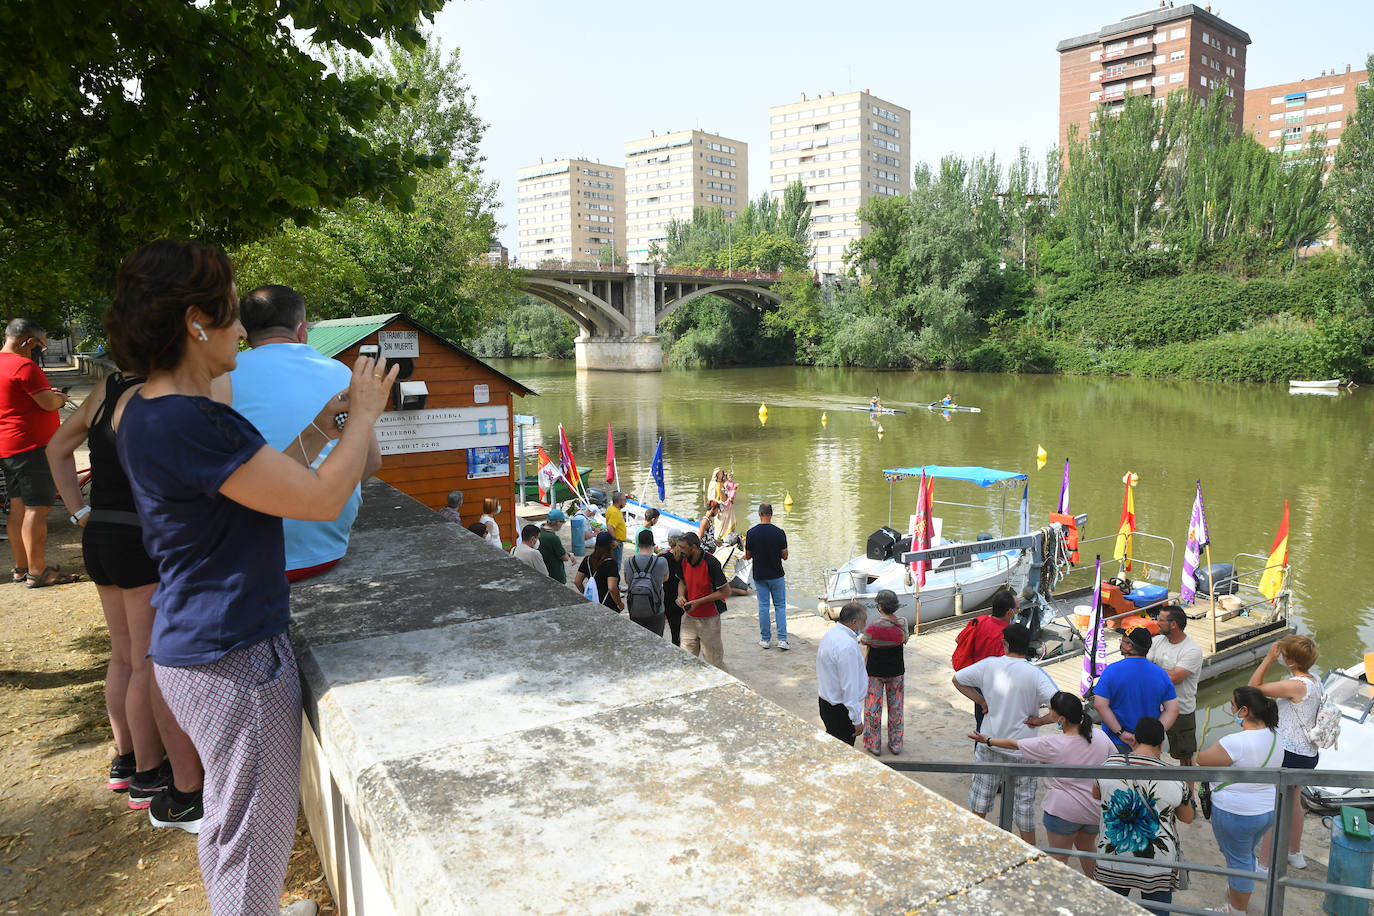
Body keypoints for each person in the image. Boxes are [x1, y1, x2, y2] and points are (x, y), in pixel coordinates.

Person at [106, 238, 393, 916]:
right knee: (253, 838)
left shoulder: (144, 410)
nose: (240, 330)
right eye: (228, 314)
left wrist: (327, 429)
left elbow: (263, 487)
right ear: (193, 324)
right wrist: (366, 416)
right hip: (233, 657)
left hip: (193, 644)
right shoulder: (198, 421)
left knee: (231, 825)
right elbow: (321, 500)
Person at [47, 369, 205, 829]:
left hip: (100, 533)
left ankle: (125, 759)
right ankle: (149, 773)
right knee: (146, 661)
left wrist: (79, 510)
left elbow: (57, 449)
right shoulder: (163, 391)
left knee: (121, 656)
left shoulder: (108, 387)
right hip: (140, 538)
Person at [218, 284, 383, 581]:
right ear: (302, 330)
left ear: (246, 332)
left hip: (249, 553)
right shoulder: (342, 373)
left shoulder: (221, 378)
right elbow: (371, 461)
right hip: (327, 548)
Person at [973, 691, 1112, 877]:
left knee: (1058, 859)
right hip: (1093, 811)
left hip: (1063, 812)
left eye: (1051, 710)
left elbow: (1014, 744)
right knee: (1088, 851)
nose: (1048, 712)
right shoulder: (1100, 736)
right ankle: (1098, 890)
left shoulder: (1052, 743)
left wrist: (988, 740)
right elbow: (1114, 762)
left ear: (1061, 719)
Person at [953, 623, 1057, 843]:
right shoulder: (1036, 674)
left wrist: (981, 700)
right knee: (1025, 807)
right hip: (1023, 749)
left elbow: (957, 680)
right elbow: (1058, 710)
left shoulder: (989, 665)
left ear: (1005, 644)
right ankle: (1029, 856)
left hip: (989, 742)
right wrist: (1039, 720)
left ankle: (974, 844)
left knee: (980, 800)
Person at [1, 319, 78, 588]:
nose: (38, 351)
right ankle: (39, 571)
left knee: (19, 508)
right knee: (38, 509)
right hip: (32, 448)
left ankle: (21, 568)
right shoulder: (25, 366)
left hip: (9, 448)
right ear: (28, 342)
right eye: (40, 346)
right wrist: (60, 398)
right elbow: (47, 404)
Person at [1093, 716, 1195, 915]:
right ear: (1162, 744)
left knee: (1111, 909)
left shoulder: (1108, 765)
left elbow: (1096, 794)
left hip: (1114, 857)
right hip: (1156, 864)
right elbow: (1188, 817)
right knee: (1157, 910)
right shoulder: (1173, 776)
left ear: (1135, 739)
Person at [1196, 686, 1282, 916]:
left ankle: (1236, 909)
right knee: (1245, 854)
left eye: (1232, 705)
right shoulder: (1276, 736)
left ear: (1244, 711)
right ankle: (1238, 888)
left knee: (1238, 860)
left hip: (1236, 812)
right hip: (1266, 809)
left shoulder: (1235, 741)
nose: (1230, 709)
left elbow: (1202, 759)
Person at [1250, 634, 1322, 871]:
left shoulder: (1295, 685)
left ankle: (1264, 864)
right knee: (1294, 802)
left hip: (1289, 753)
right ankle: (1295, 852)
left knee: (1274, 805)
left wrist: (1268, 659)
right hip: (1308, 754)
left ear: (1290, 661)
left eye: (1282, 654)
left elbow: (1252, 689)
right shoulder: (1315, 681)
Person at [1093, 627, 1179, 752]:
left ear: (1129, 646)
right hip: (1148, 746)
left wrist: (1121, 733)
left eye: (1122, 640)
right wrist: (1151, 737)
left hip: (1116, 742)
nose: (1120, 643)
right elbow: (1173, 710)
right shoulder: (1160, 674)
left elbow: (1100, 705)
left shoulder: (1112, 671)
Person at [951, 585, 1018, 731]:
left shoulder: (979, 621)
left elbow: (958, 639)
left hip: (976, 680)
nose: (1017, 612)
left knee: (981, 724)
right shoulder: (1007, 635)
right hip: (995, 687)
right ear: (1010, 612)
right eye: (1017, 609)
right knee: (994, 729)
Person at [1148, 605, 1204, 766]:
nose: (1157, 622)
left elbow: (1174, 677)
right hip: (1155, 707)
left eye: (1160, 620)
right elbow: (1145, 663)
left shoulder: (1192, 650)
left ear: (1173, 624)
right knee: (1150, 748)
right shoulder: (1157, 640)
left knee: (1184, 755)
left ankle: (1188, 790)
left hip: (1182, 710)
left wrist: (1150, 669)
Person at [859, 589, 907, 756]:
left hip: (875, 672)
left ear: (879, 606)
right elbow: (904, 639)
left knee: (873, 708)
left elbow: (864, 640)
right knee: (896, 708)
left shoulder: (873, 626)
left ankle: (874, 744)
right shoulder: (902, 623)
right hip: (896, 671)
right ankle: (896, 744)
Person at [676, 531, 730, 670]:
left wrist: (698, 601)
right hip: (690, 618)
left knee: (714, 662)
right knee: (686, 658)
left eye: (682, 547)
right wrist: (680, 596)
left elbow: (726, 591)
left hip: (710, 619)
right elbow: (682, 581)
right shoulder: (684, 559)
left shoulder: (711, 563)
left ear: (693, 547)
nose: (680, 550)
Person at [817, 602, 868, 746]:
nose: (864, 626)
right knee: (843, 747)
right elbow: (849, 686)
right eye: (863, 622)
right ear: (854, 622)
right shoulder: (847, 646)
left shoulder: (831, 634)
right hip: (840, 710)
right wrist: (856, 720)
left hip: (826, 702)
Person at [745, 502, 789, 650]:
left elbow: (748, 555)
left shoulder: (751, 533)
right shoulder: (779, 532)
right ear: (771, 514)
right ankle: (782, 640)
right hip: (776, 574)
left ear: (759, 514)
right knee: (780, 606)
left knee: (763, 606)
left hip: (760, 575)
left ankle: (765, 640)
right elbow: (785, 556)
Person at [622, 529, 669, 636]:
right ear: (653, 543)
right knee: (656, 642)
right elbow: (665, 579)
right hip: (656, 609)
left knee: (638, 642)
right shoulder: (661, 561)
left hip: (635, 608)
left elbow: (627, 581)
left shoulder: (629, 561)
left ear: (638, 544)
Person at [575, 530, 622, 612]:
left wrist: (585, 593)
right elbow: (611, 587)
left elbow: (577, 581)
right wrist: (619, 603)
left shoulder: (587, 559)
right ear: (610, 545)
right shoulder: (611, 564)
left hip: (592, 601)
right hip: (607, 604)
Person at [662, 534, 685, 647]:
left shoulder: (663, 558)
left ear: (669, 542)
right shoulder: (685, 557)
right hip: (682, 597)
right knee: (676, 632)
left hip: (667, 597)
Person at [538, 508, 573, 584]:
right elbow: (565, 558)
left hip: (542, 572)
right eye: (563, 521)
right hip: (555, 575)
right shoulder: (553, 538)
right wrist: (569, 555)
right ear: (558, 523)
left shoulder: (539, 531)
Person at [605, 490, 628, 566]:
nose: (626, 502)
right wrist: (614, 540)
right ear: (619, 501)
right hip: (617, 542)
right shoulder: (615, 512)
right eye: (625, 500)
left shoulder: (611, 508)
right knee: (616, 565)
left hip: (615, 541)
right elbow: (610, 527)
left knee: (612, 563)